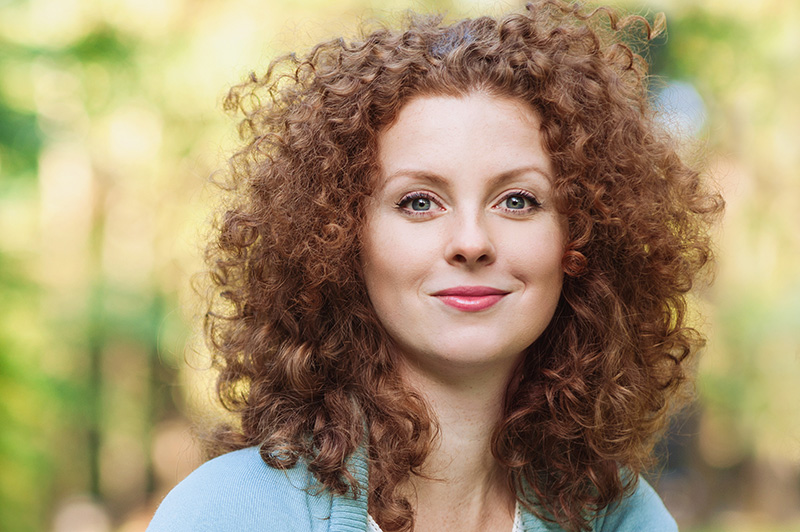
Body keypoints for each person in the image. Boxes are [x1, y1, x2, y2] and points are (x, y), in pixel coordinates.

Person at [148, 1, 722, 531]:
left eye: (517, 200)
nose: (471, 242)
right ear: (341, 239)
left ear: (581, 239)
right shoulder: (227, 513)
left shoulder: (621, 516)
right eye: (418, 202)